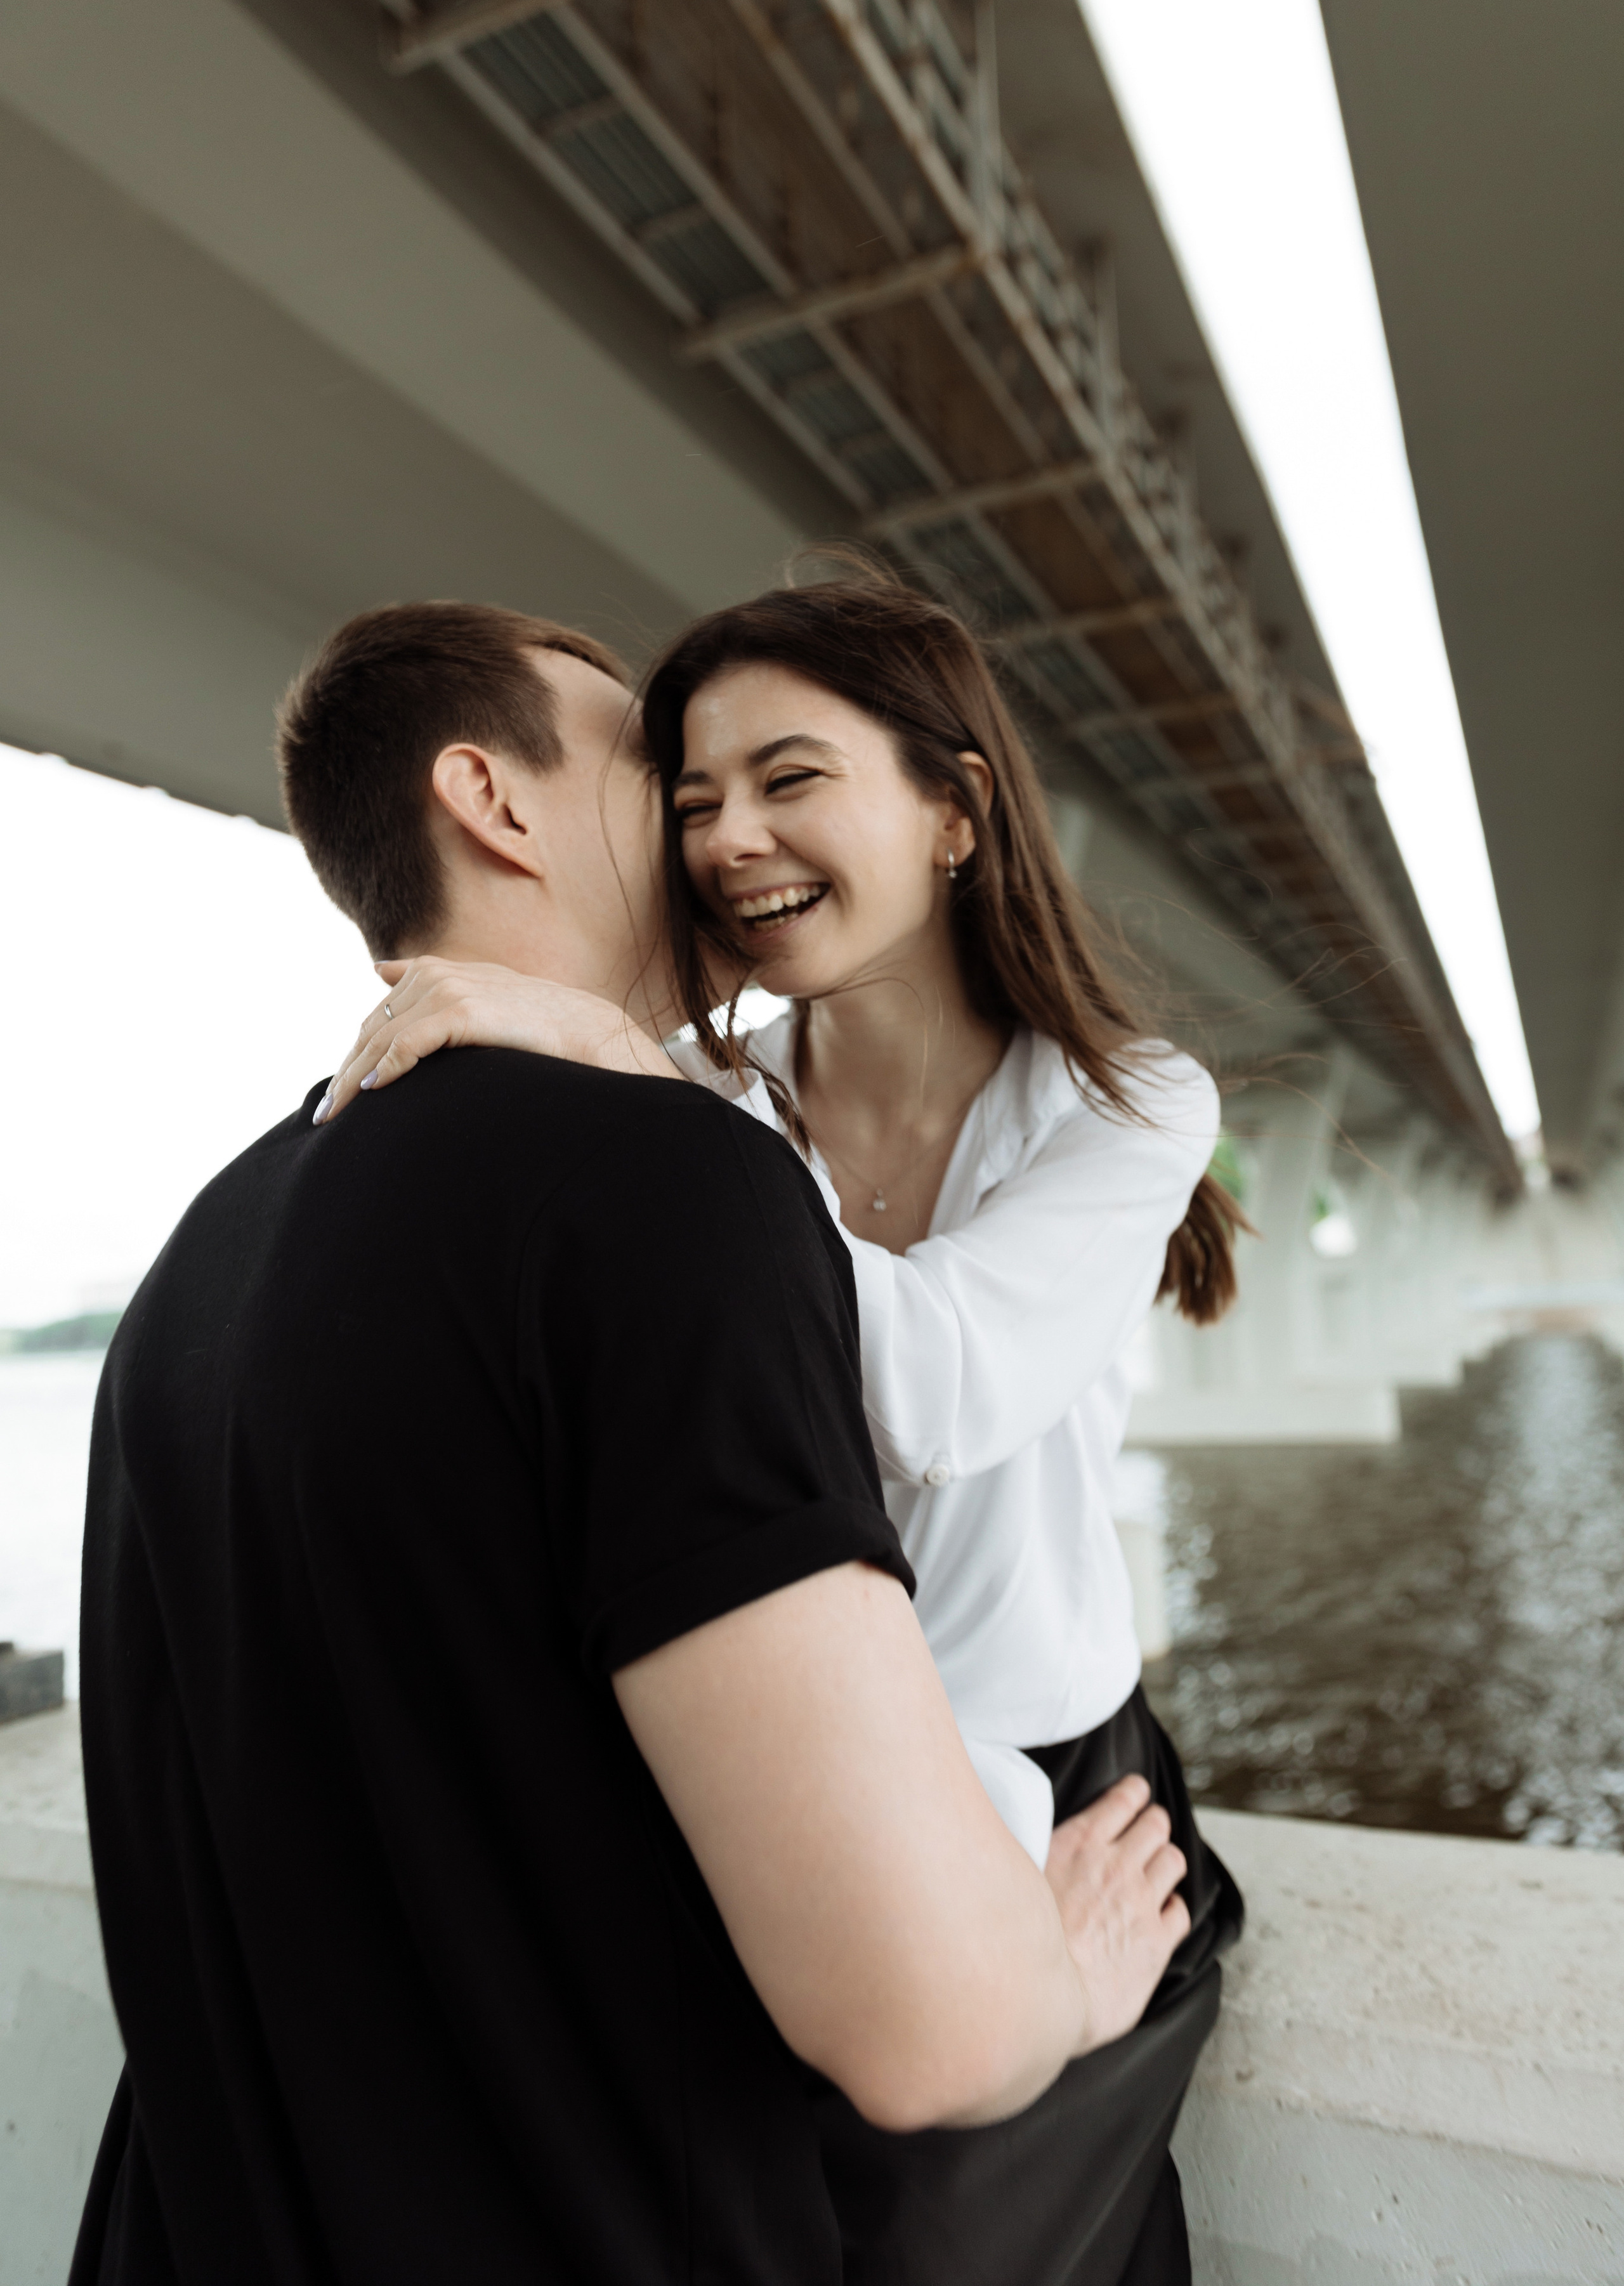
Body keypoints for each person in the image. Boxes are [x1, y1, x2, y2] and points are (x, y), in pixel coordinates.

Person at [70, 601, 1193, 2286]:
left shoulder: (208, 1249)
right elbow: (932, 2032)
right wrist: (1057, 1983)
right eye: (660, 776)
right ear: (494, 801)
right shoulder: (668, 1180)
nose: (710, 836)